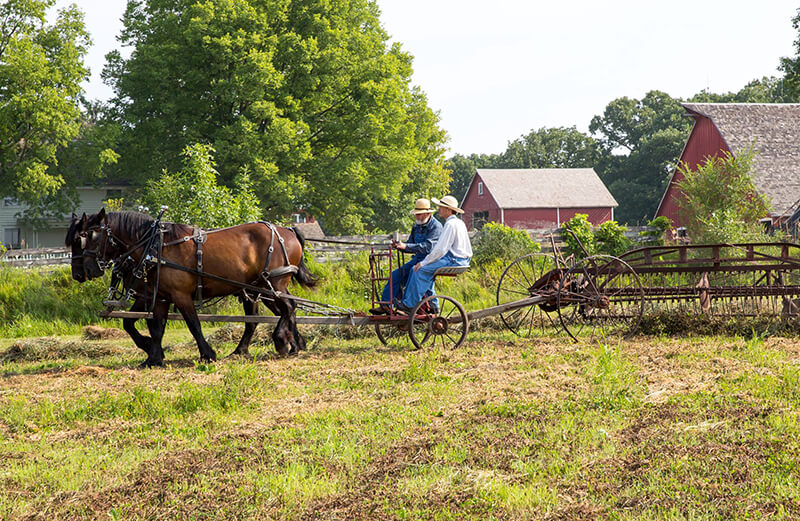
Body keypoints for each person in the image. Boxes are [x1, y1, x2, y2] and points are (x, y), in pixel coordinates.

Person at [397, 195, 472, 313]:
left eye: (441, 207)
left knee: (419, 270)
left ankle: (409, 305)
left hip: (454, 259)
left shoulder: (450, 225)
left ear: (448, 209)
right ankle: (431, 305)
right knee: (417, 270)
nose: (438, 209)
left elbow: (440, 250)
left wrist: (423, 263)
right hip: (462, 259)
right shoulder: (459, 223)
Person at [369, 198, 443, 315]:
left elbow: (428, 247)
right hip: (417, 259)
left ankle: (411, 306)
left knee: (415, 275)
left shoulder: (436, 227)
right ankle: (385, 305)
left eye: (419, 215)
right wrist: (399, 245)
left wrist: (406, 246)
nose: (417, 217)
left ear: (428, 213)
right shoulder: (416, 227)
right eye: (416, 215)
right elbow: (410, 244)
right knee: (395, 275)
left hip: (430, 260)